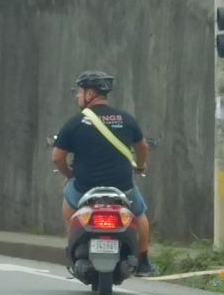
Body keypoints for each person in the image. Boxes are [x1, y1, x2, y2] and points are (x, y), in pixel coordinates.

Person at [51, 70, 156, 277]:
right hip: (122, 187)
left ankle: (74, 243)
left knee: (68, 201)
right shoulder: (125, 118)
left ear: (90, 94)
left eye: (79, 92)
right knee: (140, 214)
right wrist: (141, 164)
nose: (77, 96)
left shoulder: (75, 123)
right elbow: (142, 146)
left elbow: (57, 157)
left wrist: (70, 175)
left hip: (84, 187)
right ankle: (143, 260)